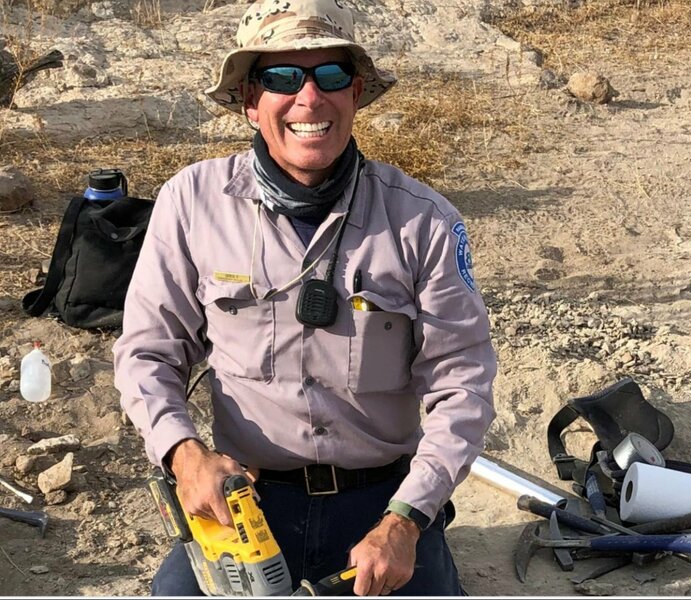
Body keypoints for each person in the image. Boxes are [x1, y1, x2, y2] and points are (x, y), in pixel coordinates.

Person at [113, 0, 496, 596]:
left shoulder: (424, 221)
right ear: (250, 100)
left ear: (356, 93)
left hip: (382, 503)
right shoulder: (191, 203)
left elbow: (463, 383)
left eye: (331, 75)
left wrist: (406, 521)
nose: (310, 98)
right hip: (247, 505)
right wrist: (185, 457)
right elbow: (147, 353)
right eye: (283, 77)